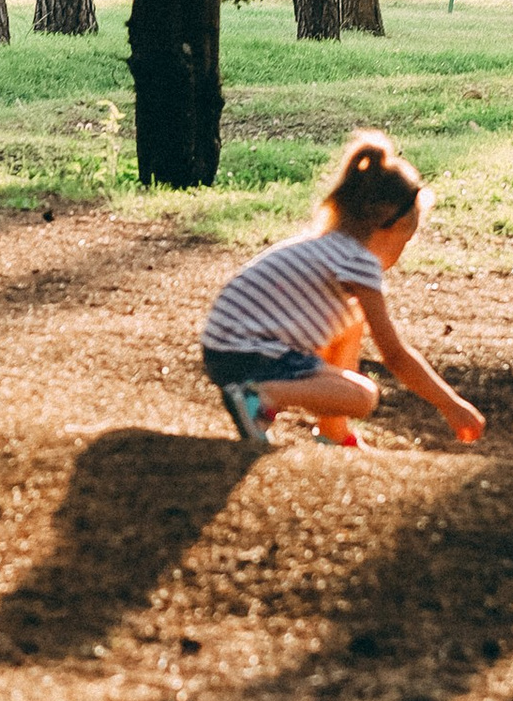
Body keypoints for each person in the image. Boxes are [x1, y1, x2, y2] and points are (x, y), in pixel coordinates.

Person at [199, 129, 484, 457]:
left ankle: (333, 431)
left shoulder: (328, 246)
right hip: (246, 356)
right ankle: (258, 397)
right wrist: (451, 405)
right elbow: (394, 355)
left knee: (351, 321)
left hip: (224, 348)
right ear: (387, 227)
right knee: (363, 396)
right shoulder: (358, 261)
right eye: (405, 241)